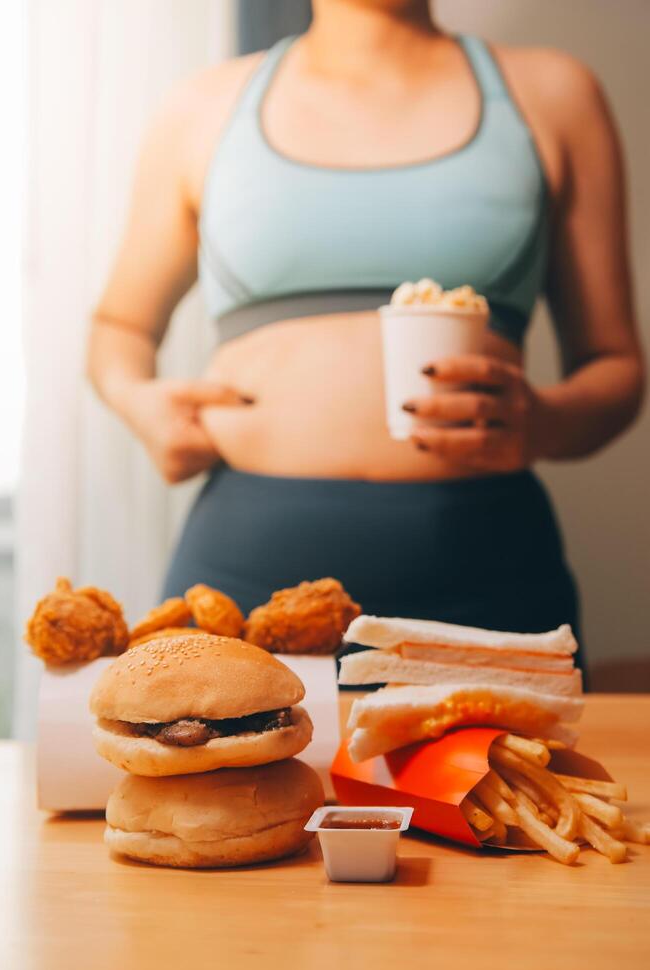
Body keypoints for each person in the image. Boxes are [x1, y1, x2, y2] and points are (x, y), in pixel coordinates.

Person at [87, 0, 644, 673]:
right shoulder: (202, 107)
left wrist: (544, 424)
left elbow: (615, 365)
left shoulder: (553, 95)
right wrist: (142, 404)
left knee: (513, 782)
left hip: (487, 573)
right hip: (240, 578)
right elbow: (118, 327)